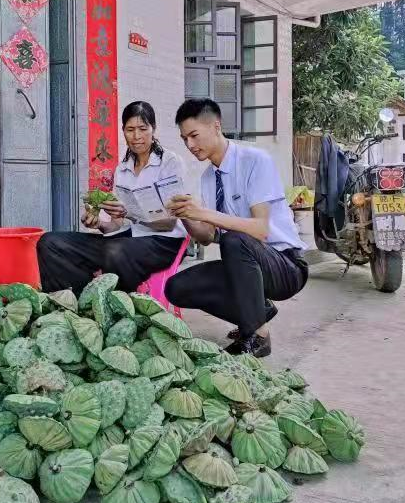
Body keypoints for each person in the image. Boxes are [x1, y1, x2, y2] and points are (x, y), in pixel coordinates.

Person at [165, 98, 308, 358]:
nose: (190, 145)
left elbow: (260, 230)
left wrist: (204, 211)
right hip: (244, 267)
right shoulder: (209, 177)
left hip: (285, 266)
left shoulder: (255, 160)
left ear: (216, 126)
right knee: (176, 287)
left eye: (194, 135)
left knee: (235, 240)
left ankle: (258, 336)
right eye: (184, 139)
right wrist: (185, 215)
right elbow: (207, 237)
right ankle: (257, 312)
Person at [37, 101, 186, 296]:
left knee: (115, 251)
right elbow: (116, 225)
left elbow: (168, 223)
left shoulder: (170, 162)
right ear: (123, 131)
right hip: (127, 239)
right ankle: (78, 304)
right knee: (50, 243)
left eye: (143, 128)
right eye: (130, 129)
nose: (137, 136)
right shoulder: (122, 168)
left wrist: (130, 213)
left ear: (153, 128)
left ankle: (116, 310)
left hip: (163, 243)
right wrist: (99, 224)